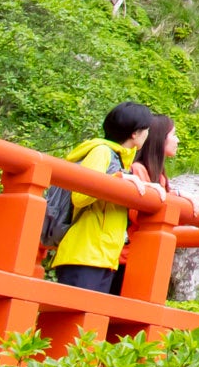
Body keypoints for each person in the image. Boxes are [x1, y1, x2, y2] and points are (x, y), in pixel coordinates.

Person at [46, 101, 179, 294]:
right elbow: (80, 196)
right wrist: (119, 180)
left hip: (104, 257)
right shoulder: (101, 151)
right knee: (76, 319)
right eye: (146, 130)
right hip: (84, 254)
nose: (149, 135)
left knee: (92, 322)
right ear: (135, 134)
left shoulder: (123, 158)